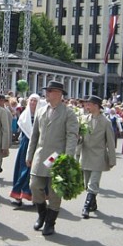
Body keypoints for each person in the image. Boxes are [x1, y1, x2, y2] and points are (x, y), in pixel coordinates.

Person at [26, 81, 79, 236]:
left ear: (59, 94)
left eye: (50, 90)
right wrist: (29, 154)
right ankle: (42, 213)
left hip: (57, 157)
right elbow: (34, 135)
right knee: (35, 185)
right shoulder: (41, 111)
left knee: (55, 192)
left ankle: (50, 222)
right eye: (46, 90)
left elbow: (72, 137)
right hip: (40, 155)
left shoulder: (68, 113)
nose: (47, 93)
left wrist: (67, 159)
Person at [79, 95, 116, 219]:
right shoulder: (83, 119)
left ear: (96, 106)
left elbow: (111, 142)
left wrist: (112, 159)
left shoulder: (106, 122)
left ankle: (86, 207)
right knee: (86, 184)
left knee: (93, 183)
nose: (87, 106)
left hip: (98, 156)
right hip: (85, 155)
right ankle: (93, 203)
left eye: (89, 104)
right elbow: (80, 137)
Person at [10, 94, 41, 206]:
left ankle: (35, 196)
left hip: (37, 144)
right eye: (31, 100)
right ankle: (18, 196)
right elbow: (23, 129)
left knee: (35, 171)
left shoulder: (41, 115)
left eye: (35, 101)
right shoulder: (24, 115)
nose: (33, 103)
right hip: (25, 144)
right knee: (22, 169)